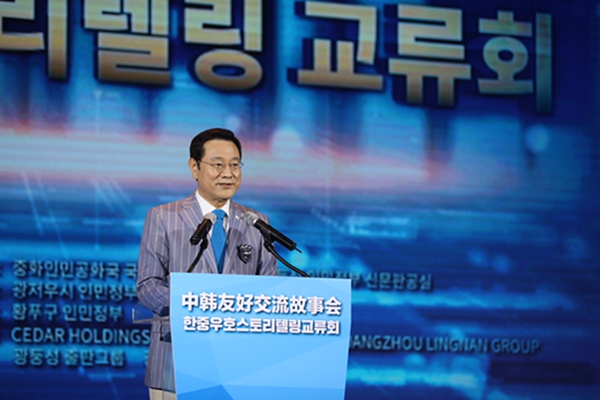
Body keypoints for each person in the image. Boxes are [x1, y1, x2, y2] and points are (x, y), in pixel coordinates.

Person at [136, 128, 278, 399]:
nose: (228, 173)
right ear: (194, 167)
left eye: (235, 165)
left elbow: (269, 290)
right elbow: (147, 285)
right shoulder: (163, 217)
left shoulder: (257, 222)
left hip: (239, 365)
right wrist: (196, 310)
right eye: (218, 164)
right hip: (176, 364)